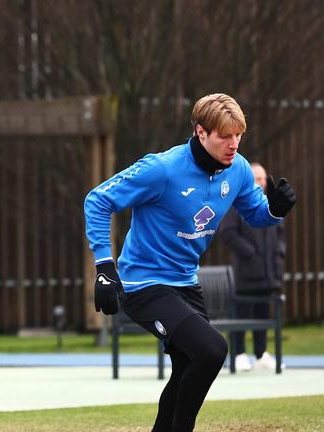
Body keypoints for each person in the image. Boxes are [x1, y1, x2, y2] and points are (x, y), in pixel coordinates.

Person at [84, 93, 297, 432]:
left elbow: (256, 215)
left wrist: (275, 209)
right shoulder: (162, 169)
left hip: (186, 283)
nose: (233, 144)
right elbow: (97, 200)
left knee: (187, 366)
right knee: (213, 350)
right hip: (144, 285)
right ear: (201, 132)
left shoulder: (238, 169)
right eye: (224, 136)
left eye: (238, 135)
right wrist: (105, 269)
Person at [218, 162, 286, 371]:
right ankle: (238, 354)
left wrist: (279, 253)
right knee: (241, 314)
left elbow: (280, 233)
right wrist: (250, 253)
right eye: (257, 178)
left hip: (268, 273)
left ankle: (261, 353)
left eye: (264, 179)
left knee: (263, 313)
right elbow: (227, 233)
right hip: (245, 273)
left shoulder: (270, 204)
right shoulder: (237, 204)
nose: (262, 182)